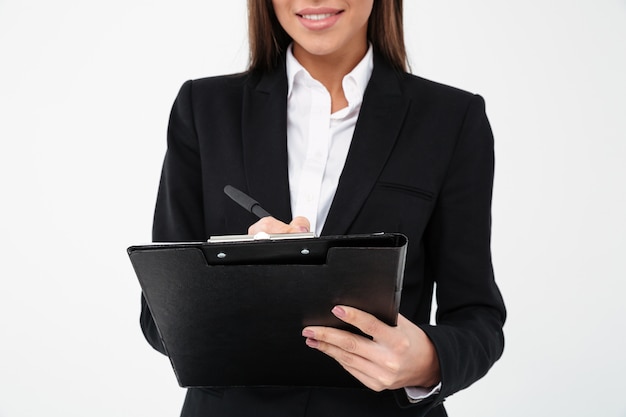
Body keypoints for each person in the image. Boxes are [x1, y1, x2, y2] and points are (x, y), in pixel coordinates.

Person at [140, 1, 506, 416]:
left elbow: (478, 319)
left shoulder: (451, 119)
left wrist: (425, 361)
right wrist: (244, 270)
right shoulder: (203, 107)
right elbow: (159, 318)